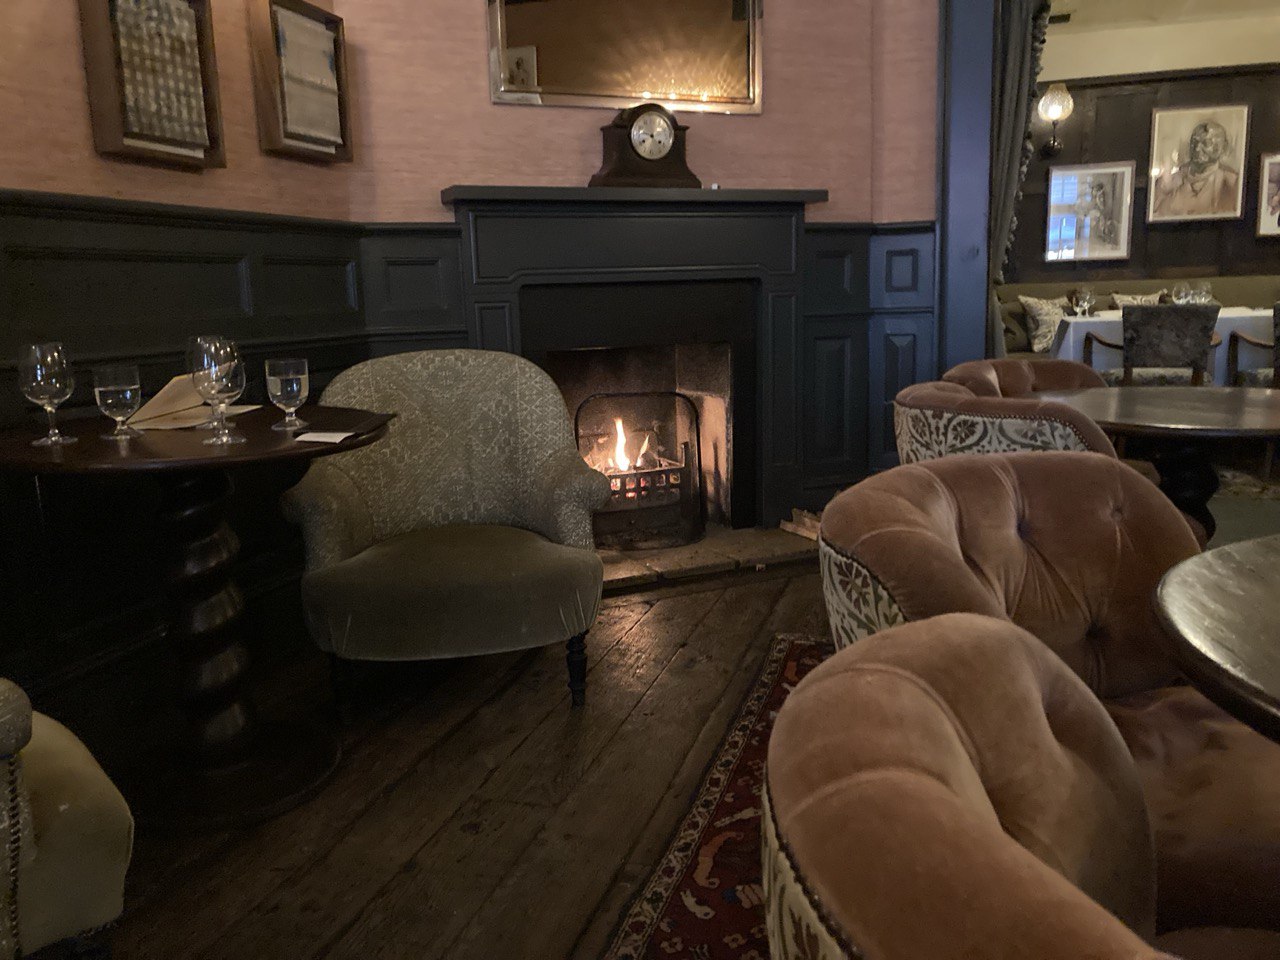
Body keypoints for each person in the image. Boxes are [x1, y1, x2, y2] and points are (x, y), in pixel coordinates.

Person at [1151, 120, 1240, 218]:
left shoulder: (1233, 183)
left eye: (1206, 143)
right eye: (1195, 142)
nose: (1197, 148)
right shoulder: (1168, 182)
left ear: (1223, 148)